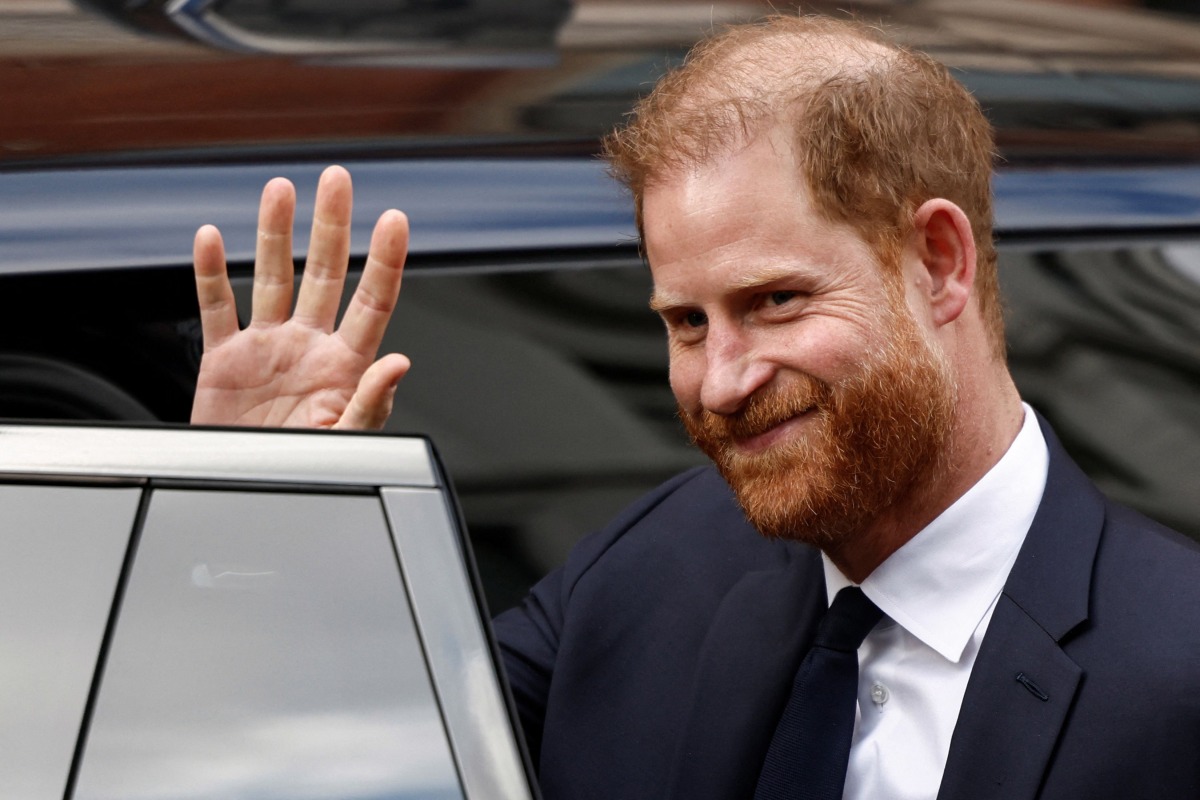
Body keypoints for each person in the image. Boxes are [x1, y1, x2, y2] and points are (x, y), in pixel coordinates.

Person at [190, 14, 1200, 800]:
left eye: (776, 301)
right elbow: (364, 754)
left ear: (937, 263)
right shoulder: (654, 567)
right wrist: (253, 524)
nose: (721, 382)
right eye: (685, 322)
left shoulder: (1174, 672)